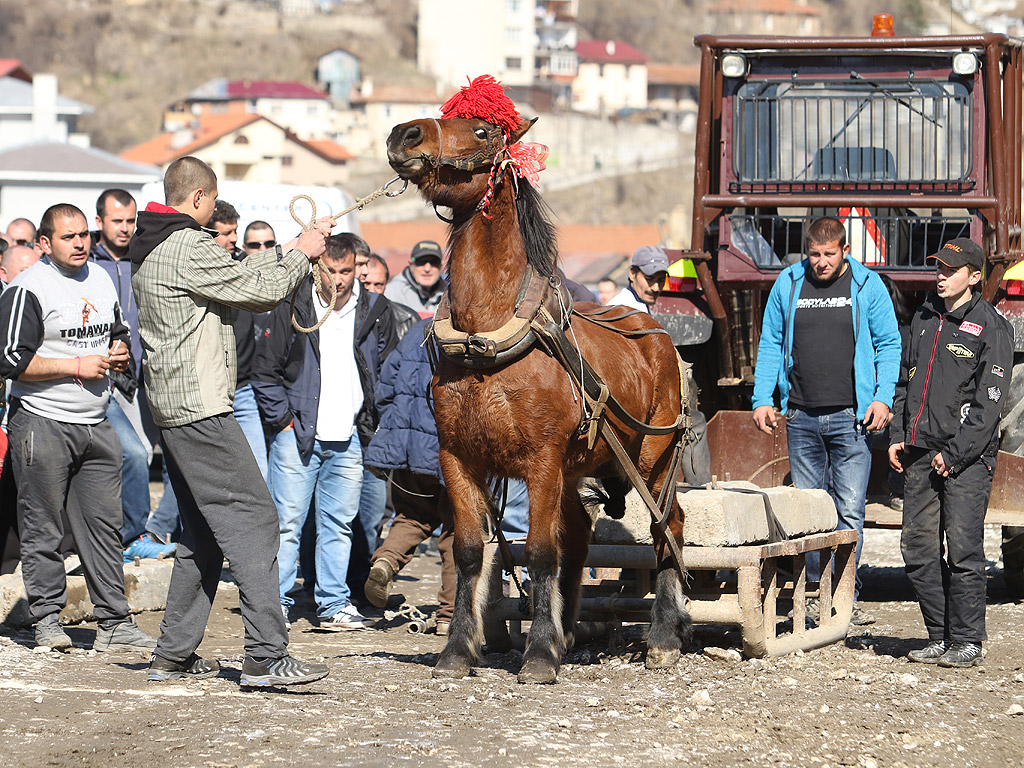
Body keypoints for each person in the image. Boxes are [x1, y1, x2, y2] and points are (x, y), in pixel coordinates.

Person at [130, 156, 330, 687]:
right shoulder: (186, 244)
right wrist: (303, 254)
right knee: (259, 517)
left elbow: (239, 276)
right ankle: (267, 654)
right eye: (213, 205)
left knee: (204, 531)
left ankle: (172, 653)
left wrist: (291, 252)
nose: (216, 216)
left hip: (176, 409)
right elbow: (257, 291)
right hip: (202, 408)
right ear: (198, 199)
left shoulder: (152, 245)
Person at [0, 203, 157, 653]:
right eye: (69, 237)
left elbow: (118, 329)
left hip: (96, 420)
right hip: (43, 421)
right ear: (45, 244)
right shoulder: (29, 288)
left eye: (84, 234)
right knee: (43, 527)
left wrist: (120, 350)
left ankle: (114, 622)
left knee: (104, 528)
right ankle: (46, 620)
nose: (81, 243)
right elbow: (10, 360)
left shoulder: (102, 278)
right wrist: (75, 365)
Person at [752, 216, 902, 626]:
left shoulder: (867, 286)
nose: (820, 262)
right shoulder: (789, 283)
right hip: (800, 415)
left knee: (849, 512)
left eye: (828, 255)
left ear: (845, 251)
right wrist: (763, 397)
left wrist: (882, 398)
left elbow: (890, 344)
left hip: (851, 417)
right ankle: (814, 598)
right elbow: (770, 342)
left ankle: (844, 600)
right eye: (814, 255)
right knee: (808, 515)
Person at [252, 233, 396, 630]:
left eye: (346, 270)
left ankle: (332, 605)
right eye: (330, 270)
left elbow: (385, 370)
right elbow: (265, 370)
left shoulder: (375, 310)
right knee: (287, 524)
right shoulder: (294, 307)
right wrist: (283, 421)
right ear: (317, 268)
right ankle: (275, 605)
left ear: (358, 269)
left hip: (347, 438)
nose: (338, 279)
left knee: (338, 525)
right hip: (298, 436)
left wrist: (372, 420)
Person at [889, 238, 1013, 668]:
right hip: (920, 452)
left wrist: (956, 454)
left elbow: (989, 405)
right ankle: (940, 636)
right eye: (937, 268)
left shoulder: (993, 327)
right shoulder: (924, 316)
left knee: (963, 550)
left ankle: (968, 640)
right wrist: (897, 434)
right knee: (917, 548)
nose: (939, 276)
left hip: (968, 459)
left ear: (975, 277)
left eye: (949, 270)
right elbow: (906, 382)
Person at [89, 189, 167, 558]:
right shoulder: (84, 264)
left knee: (153, 458)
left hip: (150, 375)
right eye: (116, 220)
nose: (124, 228)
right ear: (99, 221)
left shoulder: (148, 256)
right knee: (129, 456)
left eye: (130, 221)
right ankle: (126, 536)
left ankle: (151, 533)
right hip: (102, 379)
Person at [363, 318, 454, 634]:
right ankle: (448, 616)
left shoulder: (419, 330)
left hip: (405, 448)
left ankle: (385, 562)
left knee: (411, 517)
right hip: (452, 451)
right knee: (458, 530)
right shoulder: (479, 335)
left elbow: (384, 389)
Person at [209, 200, 269, 479]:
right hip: (209, 391)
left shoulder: (243, 264)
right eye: (227, 233)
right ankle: (162, 525)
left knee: (258, 470)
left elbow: (271, 261)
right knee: (199, 475)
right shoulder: (199, 270)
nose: (234, 239)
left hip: (242, 388)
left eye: (236, 231)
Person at [385, 240, 445, 314]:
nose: (427, 269)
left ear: (441, 265)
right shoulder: (392, 292)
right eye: (421, 261)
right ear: (411, 264)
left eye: (434, 262)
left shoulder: (449, 295)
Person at [611, 246, 669, 312]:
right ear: (632, 274)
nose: (656, 288)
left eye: (661, 280)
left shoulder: (638, 307)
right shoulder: (621, 311)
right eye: (649, 279)